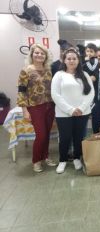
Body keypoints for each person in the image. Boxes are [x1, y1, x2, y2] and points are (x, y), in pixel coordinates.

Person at [51, 48, 95, 174]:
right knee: (65, 138)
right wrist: (70, 110)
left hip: (83, 112)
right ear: (64, 60)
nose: (71, 61)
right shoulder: (59, 75)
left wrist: (81, 108)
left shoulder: (84, 75)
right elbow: (55, 95)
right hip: (63, 113)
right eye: (69, 58)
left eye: (74, 58)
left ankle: (77, 158)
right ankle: (63, 160)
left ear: (78, 60)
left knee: (79, 137)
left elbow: (91, 93)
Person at [17, 44, 57, 173]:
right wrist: (24, 110)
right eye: (37, 53)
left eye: (42, 53)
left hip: (50, 106)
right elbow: (21, 91)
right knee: (41, 135)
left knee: (47, 134)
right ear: (32, 54)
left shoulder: (49, 70)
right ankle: (36, 160)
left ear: (46, 56)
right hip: (35, 107)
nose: (39, 55)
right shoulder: (26, 70)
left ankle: (45, 156)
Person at [82, 43, 100, 133]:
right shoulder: (83, 62)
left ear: (96, 53)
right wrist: (85, 61)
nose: (89, 53)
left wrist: (95, 76)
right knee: (84, 113)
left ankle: (96, 132)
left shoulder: (98, 62)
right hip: (85, 90)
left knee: (96, 113)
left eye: (91, 51)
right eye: (87, 51)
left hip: (96, 90)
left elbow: (98, 72)